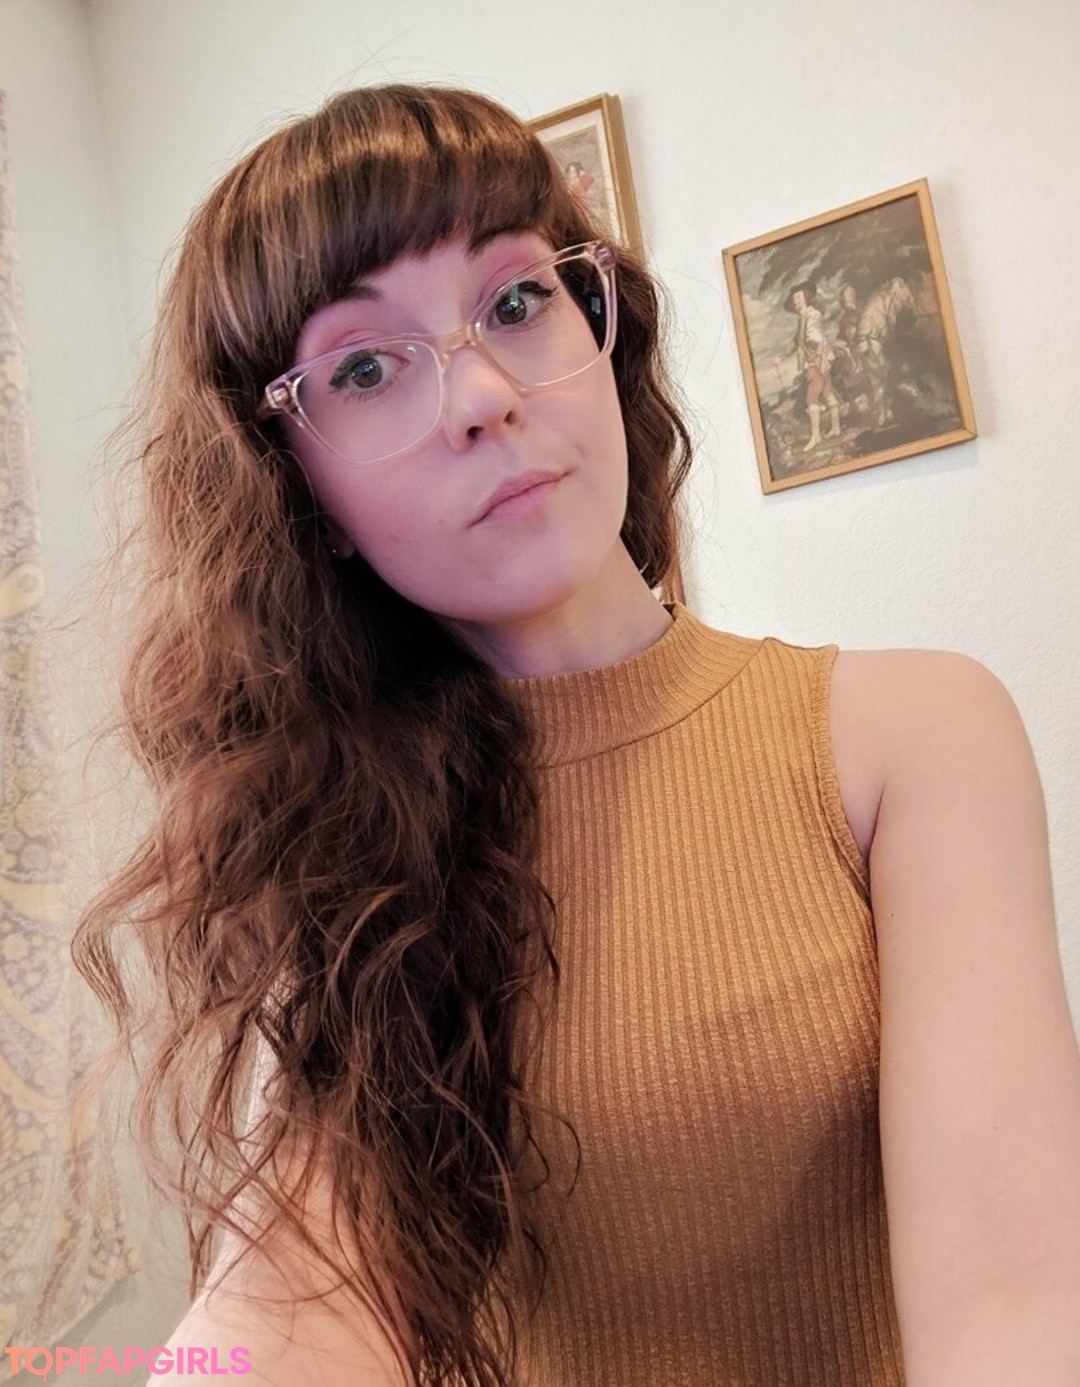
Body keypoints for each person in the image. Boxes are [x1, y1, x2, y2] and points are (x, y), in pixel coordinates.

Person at [73, 84, 1080, 1387]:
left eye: (515, 300)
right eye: (366, 368)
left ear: (604, 329)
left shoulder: (910, 736)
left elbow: (1014, 1295)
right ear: (295, 485)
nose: (484, 395)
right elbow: (285, 1311)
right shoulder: (338, 848)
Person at [774, 279, 842, 450]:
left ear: (806, 297)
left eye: (799, 297)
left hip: (816, 359)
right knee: (827, 392)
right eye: (794, 299)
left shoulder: (812, 315)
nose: (796, 301)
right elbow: (796, 342)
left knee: (811, 398)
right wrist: (781, 357)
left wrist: (816, 353)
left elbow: (814, 337)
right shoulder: (802, 318)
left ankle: (816, 436)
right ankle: (836, 428)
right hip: (819, 357)